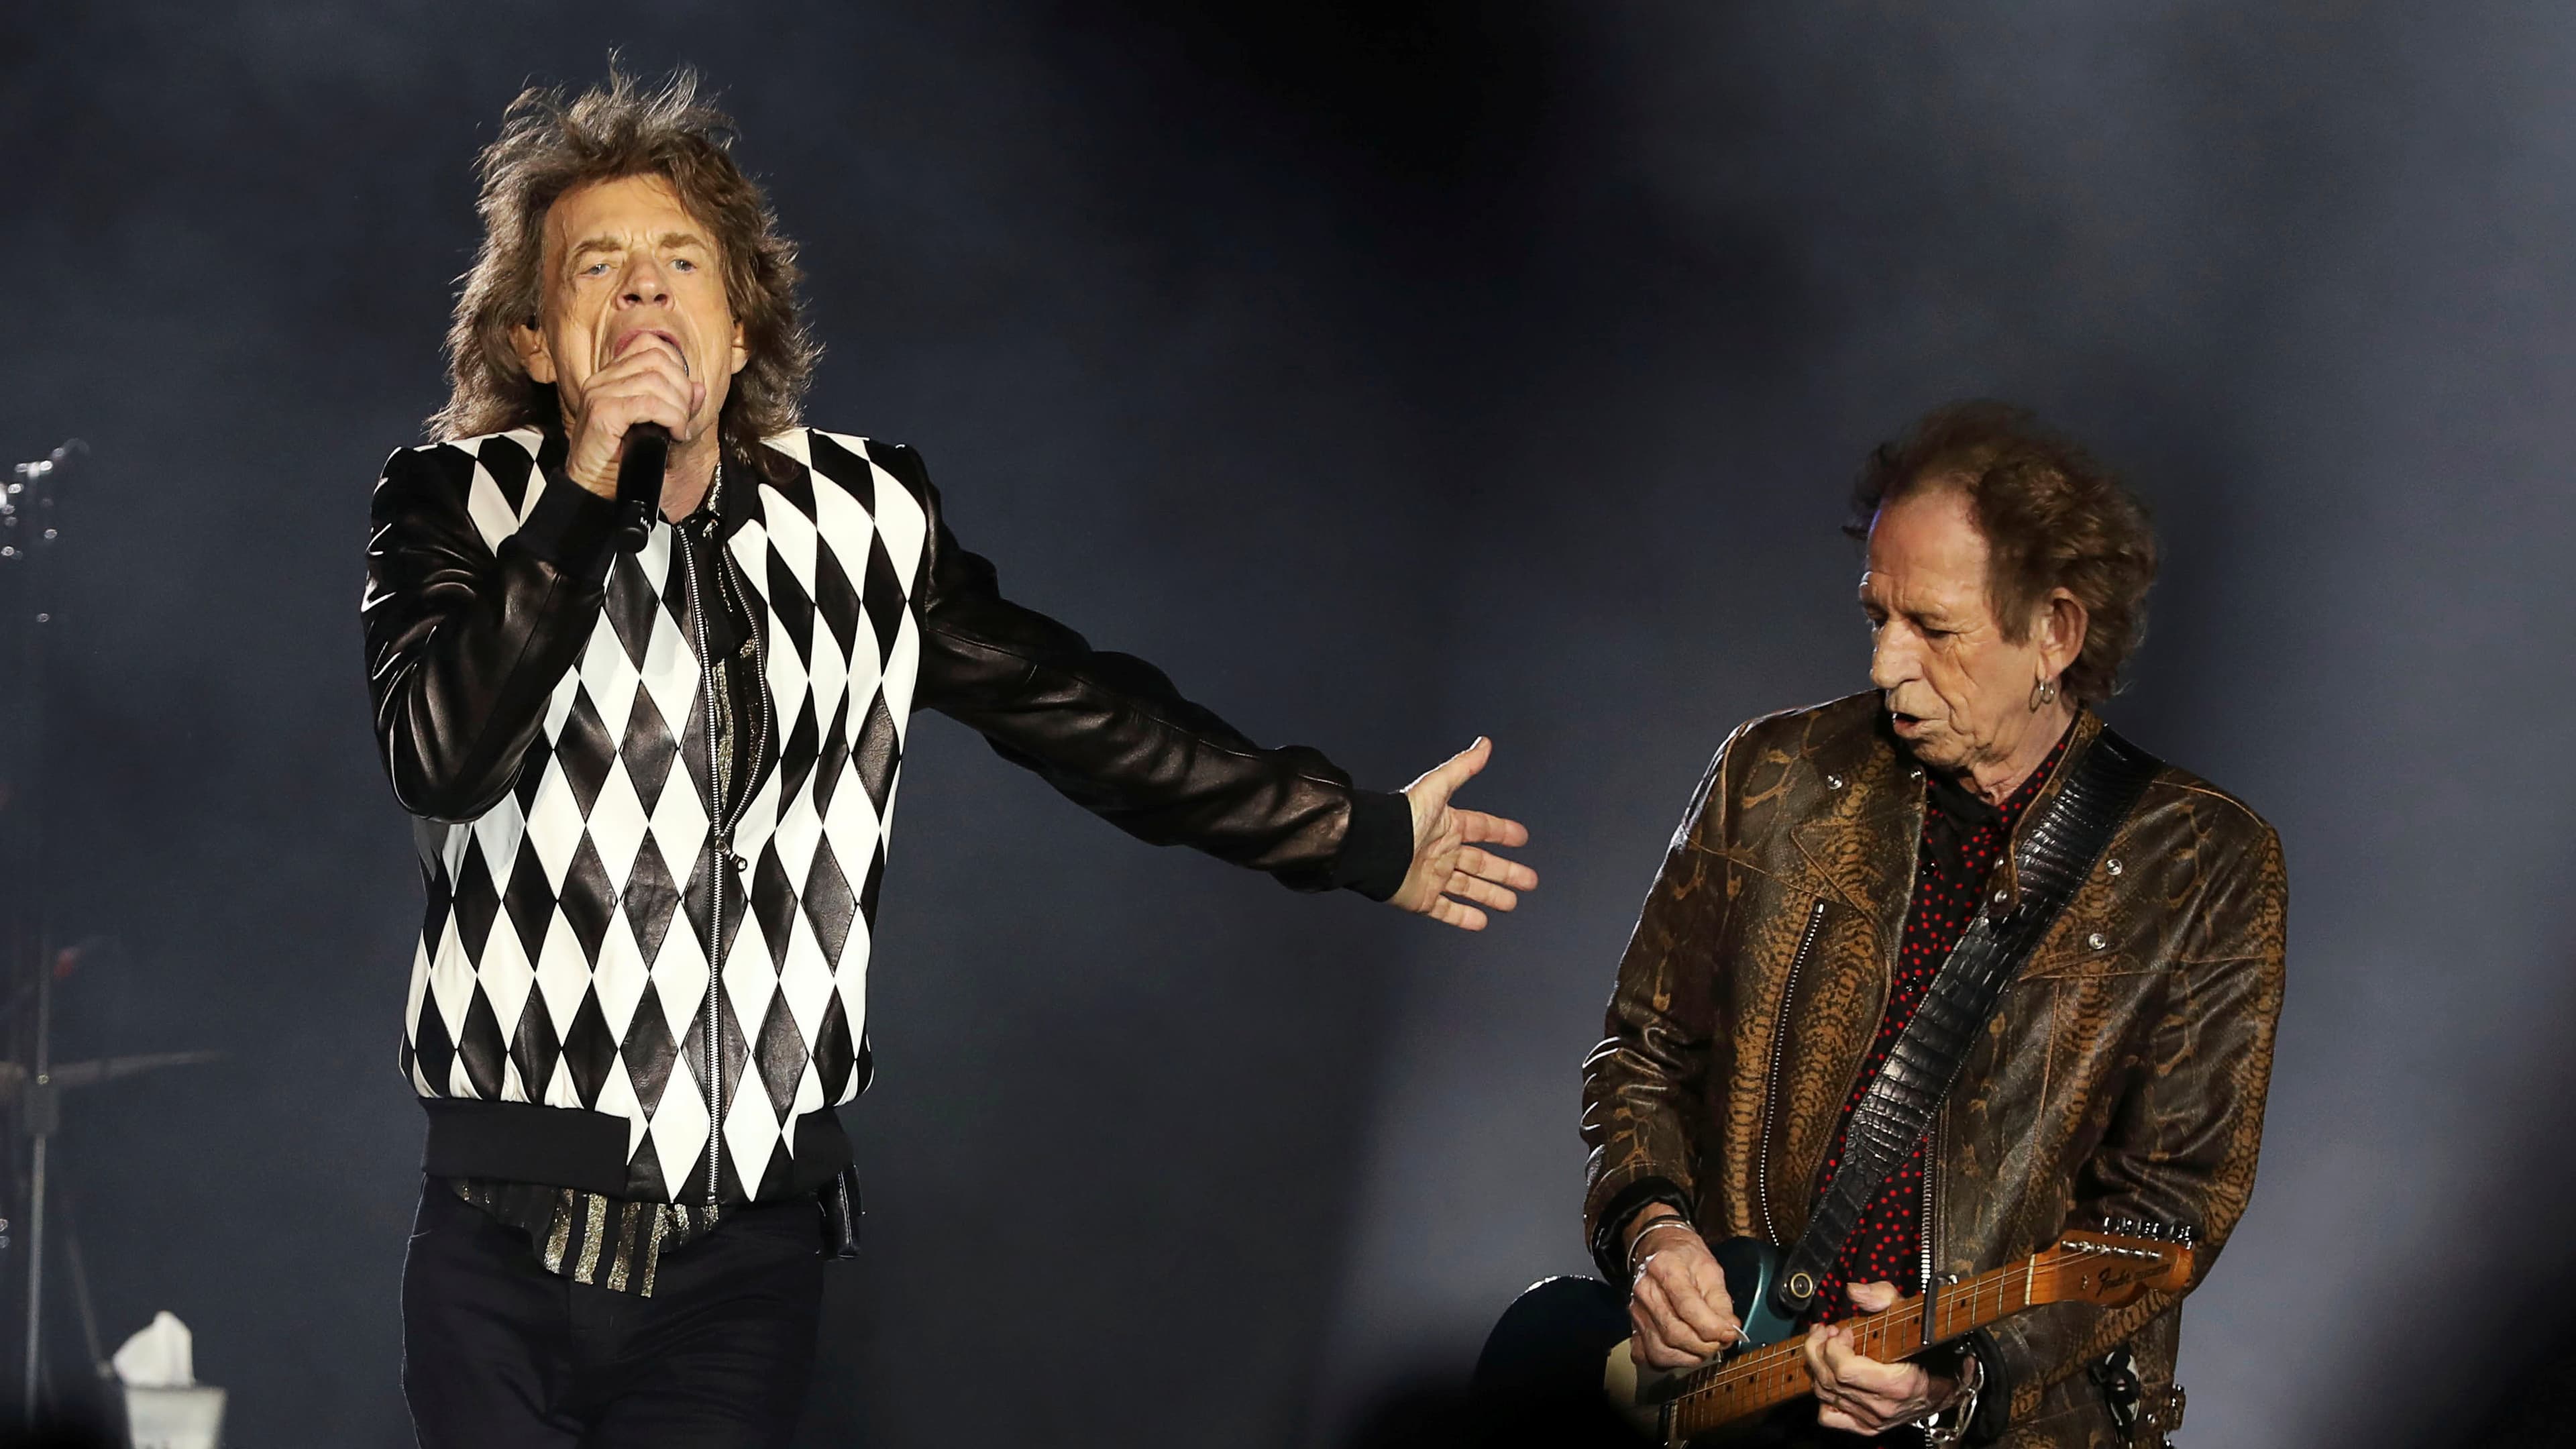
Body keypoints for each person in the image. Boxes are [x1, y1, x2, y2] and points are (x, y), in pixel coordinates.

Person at [362, 68, 1536, 1448]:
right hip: (506, 1245)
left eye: (679, 263)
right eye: (597, 269)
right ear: (538, 339)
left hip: (743, 1255)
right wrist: (581, 495)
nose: (641, 296)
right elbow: (442, 751)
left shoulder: (862, 521)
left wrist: (1351, 831)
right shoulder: (456, 503)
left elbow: (1080, 710)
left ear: (739, 329)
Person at [1575, 402, 2284, 1445]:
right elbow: (1644, 1050)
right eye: (1877, 617)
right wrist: (1655, 1234)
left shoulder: (2204, 864)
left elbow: (2168, 1205)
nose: (1886, 667)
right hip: (1726, 1399)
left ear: (2055, 631)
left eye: (1935, 630)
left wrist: (1965, 1375)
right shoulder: (1772, 775)